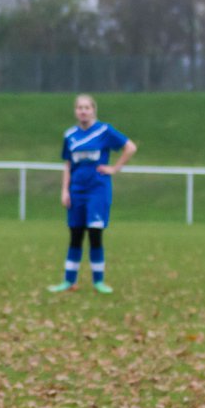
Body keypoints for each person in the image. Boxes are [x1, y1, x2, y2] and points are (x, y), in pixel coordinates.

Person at [48, 94, 137, 295]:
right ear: (75, 111)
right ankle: (68, 281)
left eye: (87, 107)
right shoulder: (70, 135)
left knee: (95, 234)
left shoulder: (104, 131)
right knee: (75, 235)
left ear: (93, 110)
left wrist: (115, 168)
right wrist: (64, 190)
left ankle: (99, 281)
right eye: (80, 107)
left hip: (97, 190)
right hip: (76, 191)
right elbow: (68, 164)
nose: (83, 111)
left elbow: (130, 147)